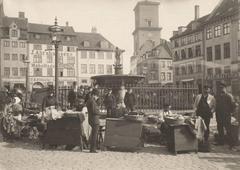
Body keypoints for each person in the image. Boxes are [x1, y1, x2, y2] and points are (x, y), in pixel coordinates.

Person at [215, 82, 237, 151]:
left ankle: (232, 144)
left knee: (228, 130)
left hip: (226, 116)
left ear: (225, 88)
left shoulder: (229, 96)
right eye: (220, 88)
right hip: (219, 115)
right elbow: (216, 105)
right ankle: (221, 142)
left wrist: (230, 113)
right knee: (220, 129)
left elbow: (233, 105)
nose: (221, 89)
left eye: (222, 88)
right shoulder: (217, 96)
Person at [86, 88, 101, 153]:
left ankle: (92, 148)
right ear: (94, 95)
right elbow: (94, 111)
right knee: (94, 135)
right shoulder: (92, 101)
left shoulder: (90, 100)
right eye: (96, 96)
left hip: (92, 119)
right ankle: (92, 149)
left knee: (93, 134)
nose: (97, 97)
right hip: (94, 120)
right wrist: (99, 111)